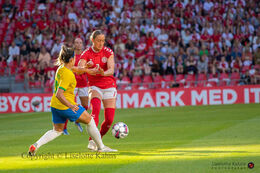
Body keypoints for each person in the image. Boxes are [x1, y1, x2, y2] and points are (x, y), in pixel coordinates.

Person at [28, 45, 116, 156]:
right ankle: (101, 147)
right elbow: (59, 94)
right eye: (74, 58)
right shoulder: (68, 74)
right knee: (90, 121)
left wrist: (87, 68)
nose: (75, 59)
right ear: (71, 59)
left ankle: (36, 145)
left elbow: (77, 69)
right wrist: (70, 105)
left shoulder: (62, 68)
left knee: (57, 130)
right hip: (65, 105)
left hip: (55, 106)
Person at [78, 30, 117, 151]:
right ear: (92, 40)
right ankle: (91, 141)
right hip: (95, 86)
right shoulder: (86, 53)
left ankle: (98, 141)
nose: (101, 43)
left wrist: (102, 73)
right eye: (99, 40)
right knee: (95, 110)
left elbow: (111, 70)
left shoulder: (108, 52)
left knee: (109, 120)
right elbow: (79, 69)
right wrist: (86, 67)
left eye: (103, 40)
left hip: (109, 86)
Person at [63, 38, 87, 135]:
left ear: (82, 44)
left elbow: (87, 68)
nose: (78, 44)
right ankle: (64, 128)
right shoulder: (71, 54)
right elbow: (67, 67)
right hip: (72, 84)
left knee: (85, 105)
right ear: (74, 44)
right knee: (68, 105)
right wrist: (78, 69)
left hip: (83, 83)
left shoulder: (85, 55)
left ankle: (77, 120)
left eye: (80, 43)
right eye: (76, 42)